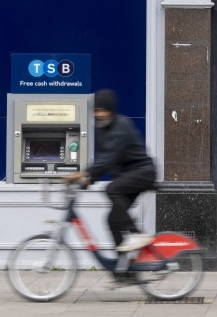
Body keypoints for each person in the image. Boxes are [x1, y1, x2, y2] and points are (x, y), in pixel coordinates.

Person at [67, 89, 157, 254]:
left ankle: (136, 233)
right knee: (112, 220)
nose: (99, 114)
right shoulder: (103, 128)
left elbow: (109, 156)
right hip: (129, 175)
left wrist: (85, 173)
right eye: (96, 110)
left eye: (103, 110)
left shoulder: (121, 126)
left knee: (111, 189)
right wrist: (90, 179)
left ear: (111, 111)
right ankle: (124, 271)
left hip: (142, 172)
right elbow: (106, 159)